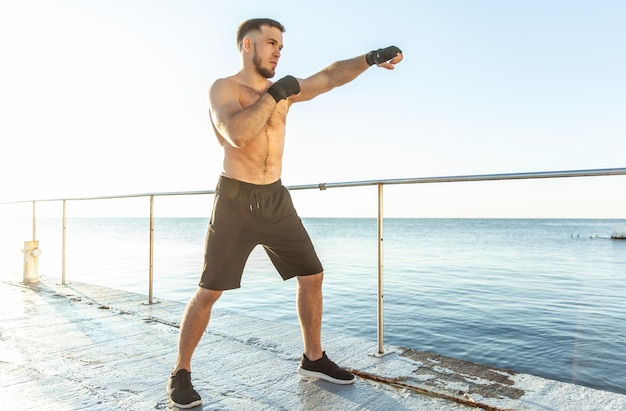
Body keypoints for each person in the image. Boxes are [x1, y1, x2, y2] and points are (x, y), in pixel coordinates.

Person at [167, 17, 403, 409]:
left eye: (281, 45)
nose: (279, 50)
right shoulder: (224, 88)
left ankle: (313, 359)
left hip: (275, 197)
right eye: (272, 43)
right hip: (235, 201)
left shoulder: (284, 92)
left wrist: (370, 58)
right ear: (248, 46)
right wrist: (276, 94)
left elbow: (329, 77)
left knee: (312, 275)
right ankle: (181, 371)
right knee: (210, 291)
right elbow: (237, 134)